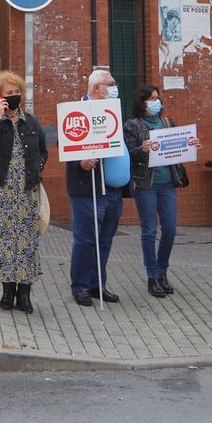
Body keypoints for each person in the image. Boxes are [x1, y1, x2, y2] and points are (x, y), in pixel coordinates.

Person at [0, 71, 47, 313]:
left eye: (17, 93)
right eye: (9, 94)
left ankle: (24, 293)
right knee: (5, 240)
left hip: (25, 191)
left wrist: (37, 168)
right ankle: (7, 291)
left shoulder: (32, 122)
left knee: (25, 241)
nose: (14, 97)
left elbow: (43, 150)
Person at [125, 84, 197, 299]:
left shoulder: (168, 123)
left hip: (167, 184)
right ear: (142, 103)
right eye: (151, 99)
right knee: (148, 231)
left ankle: (162, 270)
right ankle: (152, 275)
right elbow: (128, 153)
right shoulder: (133, 125)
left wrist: (191, 144)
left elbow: (177, 148)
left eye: (157, 98)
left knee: (170, 229)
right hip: (146, 184)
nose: (156, 102)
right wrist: (142, 149)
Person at [68, 67, 125, 307]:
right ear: (96, 88)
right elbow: (67, 142)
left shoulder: (114, 111)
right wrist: (81, 161)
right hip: (87, 188)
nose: (114, 88)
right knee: (86, 239)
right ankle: (80, 285)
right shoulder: (77, 110)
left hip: (112, 189)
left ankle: (97, 284)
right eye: (110, 84)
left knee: (105, 240)